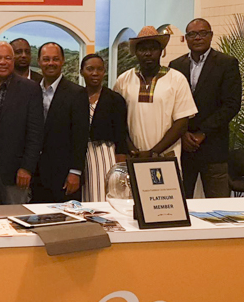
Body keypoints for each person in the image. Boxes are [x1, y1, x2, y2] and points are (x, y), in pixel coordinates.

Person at [169, 18, 242, 198]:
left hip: (213, 147)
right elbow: (171, 105)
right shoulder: (175, 66)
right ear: (186, 38)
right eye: (192, 34)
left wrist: (202, 133)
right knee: (179, 202)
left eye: (203, 33)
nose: (198, 38)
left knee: (219, 205)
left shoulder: (226, 63)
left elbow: (231, 104)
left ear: (211, 36)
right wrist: (183, 133)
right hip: (183, 147)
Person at [114, 26, 198, 162]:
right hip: (134, 157)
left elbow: (182, 123)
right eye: (142, 49)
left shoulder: (177, 79)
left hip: (166, 157)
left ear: (161, 51)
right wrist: (132, 149)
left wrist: (153, 152)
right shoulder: (123, 80)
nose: (148, 53)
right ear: (136, 52)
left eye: (153, 49)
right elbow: (117, 120)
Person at [0, 41, 44, 205]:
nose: (3, 62)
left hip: (16, 169)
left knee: (17, 215)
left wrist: (27, 167)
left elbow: (35, 133)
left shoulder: (30, 89)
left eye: (7, 58)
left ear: (13, 61)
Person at [33, 42, 90, 203]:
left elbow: (80, 136)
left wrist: (75, 172)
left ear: (63, 61)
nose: (51, 63)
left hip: (64, 175)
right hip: (36, 174)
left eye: (55, 59)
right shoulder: (32, 90)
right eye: (46, 59)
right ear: (39, 61)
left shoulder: (77, 93)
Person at [79, 54, 129, 202]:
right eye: (90, 69)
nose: (95, 73)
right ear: (81, 72)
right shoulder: (76, 97)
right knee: (85, 197)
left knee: (103, 196)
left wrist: (120, 164)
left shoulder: (115, 99)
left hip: (106, 154)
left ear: (104, 72)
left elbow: (121, 133)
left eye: (99, 69)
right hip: (81, 155)